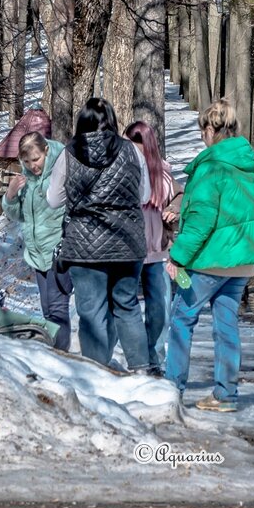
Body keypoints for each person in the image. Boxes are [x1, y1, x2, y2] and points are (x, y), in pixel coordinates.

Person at [164, 99, 254, 413]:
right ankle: (226, 394)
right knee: (226, 326)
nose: (201, 136)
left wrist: (177, 257)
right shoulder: (251, 165)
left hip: (210, 260)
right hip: (240, 261)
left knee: (181, 320)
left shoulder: (211, 166)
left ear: (211, 128)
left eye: (202, 130)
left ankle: (170, 390)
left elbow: (203, 220)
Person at [46, 97, 154, 373]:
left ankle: (95, 372)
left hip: (85, 245)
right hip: (127, 242)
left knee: (91, 311)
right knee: (127, 306)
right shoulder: (132, 151)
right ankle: (141, 369)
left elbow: (53, 200)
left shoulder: (68, 154)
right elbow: (145, 195)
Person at [3, 131, 72, 351]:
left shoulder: (61, 171)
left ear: (46, 151)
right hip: (36, 253)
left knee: (57, 309)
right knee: (47, 309)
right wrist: (10, 196)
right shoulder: (27, 179)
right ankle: (54, 352)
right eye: (27, 162)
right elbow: (18, 215)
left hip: (58, 252)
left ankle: (61, 356)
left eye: (36, 159)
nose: (33, 166)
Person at [123, 120, 179, 371]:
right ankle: (137, 360)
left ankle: (155, 358)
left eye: (138, 149)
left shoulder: (163, 174)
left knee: (160, 310)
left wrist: (173, 209)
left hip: (157, 252)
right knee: (126, 308)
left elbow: (180, 196)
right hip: (128, 252)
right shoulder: (120, 172)